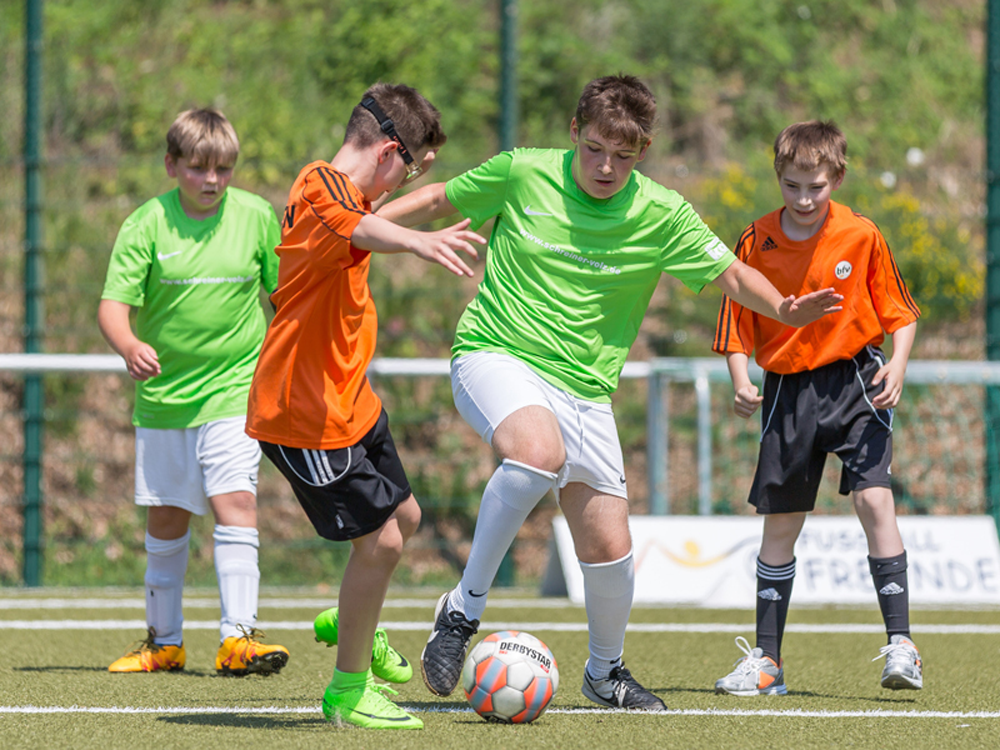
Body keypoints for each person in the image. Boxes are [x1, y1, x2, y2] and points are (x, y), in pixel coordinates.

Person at [377, 74, 843, 710]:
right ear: (574, 132)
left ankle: (605, 672)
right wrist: (362, 224)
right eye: (595, 148)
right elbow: (435, 199)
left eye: (623, 155)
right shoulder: (523, 172)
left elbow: (732, 272)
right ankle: (461, 611)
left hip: (586, 390)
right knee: (535, 454)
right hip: (496, 354)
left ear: (644, 150)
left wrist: (784, 310)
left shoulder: (663, 213)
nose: (606, 166)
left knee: (609, 548)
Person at [245, 82, 485, 730]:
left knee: (402, 518)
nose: (407, 177)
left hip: (350, 402)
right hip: (306, 415)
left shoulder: (347, 192)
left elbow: (371, 213)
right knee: (378, 541)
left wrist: (423, 192)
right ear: (385, 152)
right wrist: (420, 242)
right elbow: (362, 227)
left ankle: (353, 618)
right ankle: (348, 690)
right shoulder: (319, 187)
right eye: (406, 164)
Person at [712, 120, 922, 696]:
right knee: (781, 524)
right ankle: (767, 662)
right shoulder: (755, 239)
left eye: (816, 187)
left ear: (837, 178)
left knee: (875, 500)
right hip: (785, 391)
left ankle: (902, 646)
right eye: (791, 186)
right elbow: (735, 321)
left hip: (856, 382)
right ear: (777, 177)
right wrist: (739, 379)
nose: (803, 199)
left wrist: (897, 364)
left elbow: (899, 312)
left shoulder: (862, 234)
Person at [98, 108, 290, 676]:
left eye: (224, 169)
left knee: (237, 502)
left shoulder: (256, 216)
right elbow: (113, 306)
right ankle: (164, 643)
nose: (212, 181)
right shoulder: (146, 224)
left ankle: (239, 639)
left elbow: (284, 299)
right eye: (199, 168)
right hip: (164, 401)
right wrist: (129, 344)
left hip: (235, 392)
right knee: (167, 521)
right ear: (171, 165)